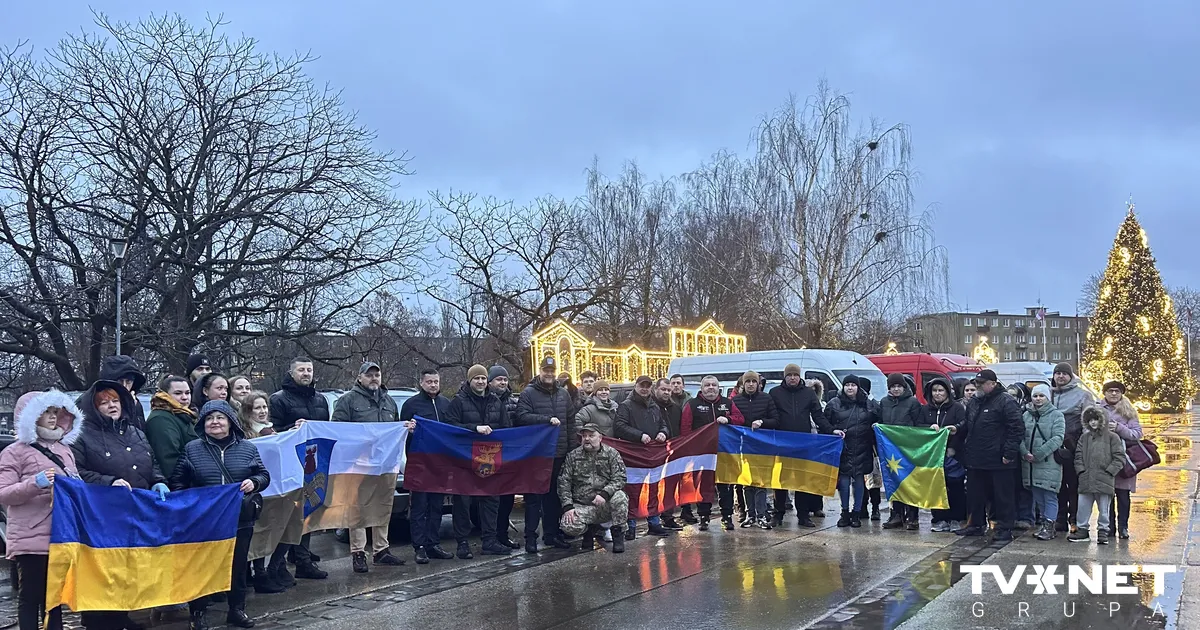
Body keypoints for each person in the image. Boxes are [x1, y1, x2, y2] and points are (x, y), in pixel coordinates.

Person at [72, 380, 168, 630]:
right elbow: (77, 472)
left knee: (128, 567)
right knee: (105, 569)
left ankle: (121, 614)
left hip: (136, 512)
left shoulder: (135, 431)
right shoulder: (82, 435)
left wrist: (157, 480)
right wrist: (108, 481)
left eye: (114, 400)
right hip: (102, 514)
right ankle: (98, 620)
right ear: (93, 407)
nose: (111, 405)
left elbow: (151, 460)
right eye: (104, 402)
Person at [170, 400, 270, 629]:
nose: (214, 422)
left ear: (230, 421)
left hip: (239, 518)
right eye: (209, 419)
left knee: (238, 565)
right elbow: (178, 481)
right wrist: (186, 505)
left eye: (219, 418)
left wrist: (254, 482)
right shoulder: (192, 448)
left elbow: (264, 475)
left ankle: (237, 610)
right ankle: (198, 613)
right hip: (204, 519)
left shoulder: (248, 448)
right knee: (201, 567)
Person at [0, 390, 82, 630]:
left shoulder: (65, 450)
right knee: (30, 596)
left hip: (60, 532)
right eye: (46, 411)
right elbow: (3, 492)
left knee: (54, 597)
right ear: (30, 415)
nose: (52, 417)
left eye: (55, 412)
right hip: (30, 535)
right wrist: (35, 483)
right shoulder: (14, 452)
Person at [331, 362, 405, 572]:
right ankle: (358, 553)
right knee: (358, 509)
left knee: (382, 505)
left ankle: (381, 550)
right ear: (360, 377)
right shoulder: (347, 400)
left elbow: (395, 430)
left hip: (385, 464)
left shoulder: (389, 401)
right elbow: (338, 429)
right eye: (369, 375)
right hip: (359, 464)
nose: (374, 378)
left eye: (377, 374)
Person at [268, 357, 329, 580]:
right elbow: (272, 432)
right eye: (301, 370)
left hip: (313, 464)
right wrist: (292, 429)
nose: (306, 373)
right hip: (289, 464)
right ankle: (278, 564)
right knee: (288, 515)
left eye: (309, 370)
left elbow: (326, 430)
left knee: (307, 511)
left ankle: (303, 560)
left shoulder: (321, 400)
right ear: (291, 373)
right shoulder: (278, 399)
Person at [446, 364, 514, 558]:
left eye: (483, 378)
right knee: (463, 502)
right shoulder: (458, 401)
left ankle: (489, 541)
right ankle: (463, 543)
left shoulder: (495, 401)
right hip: (465, 459)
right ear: (470, 380)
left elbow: (505, 427)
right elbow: (451, 426)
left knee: (491, 500)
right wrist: (475, 428)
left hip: (489, 458)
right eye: (477, 378)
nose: (481, 382)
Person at [952, 370, 1024, 541]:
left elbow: (1017, 428)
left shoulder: (1006, 401)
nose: (977, 387)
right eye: (976, 384)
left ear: (992, 383)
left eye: (981, 384)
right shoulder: (975, 401)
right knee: (974, 494)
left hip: (999, 458)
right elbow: (969, 423)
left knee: (1002, 496)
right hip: (977, 457)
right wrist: (957, 428)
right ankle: (975, 524)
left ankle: (1005, 527)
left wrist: (1009, 452)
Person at [516, 356, 577, 552]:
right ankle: (530, 538)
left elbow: (570, 421)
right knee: (534, 499)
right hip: (537, 455)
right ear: (539, 371)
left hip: (559, 454)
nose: (549, 374)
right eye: (546, 370)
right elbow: (522, 417)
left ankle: (551, 535)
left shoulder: (563, 394)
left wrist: (571, 449)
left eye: (552, 370)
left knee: (554, 498)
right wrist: (545, 420)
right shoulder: (528, 393)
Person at [768, 363, 832, 528]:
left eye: (795, 375)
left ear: (800, 376)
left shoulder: (808, 393)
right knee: (780, 482)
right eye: (789, 375)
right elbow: (770, 415)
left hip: (803, 444)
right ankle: (778, 514)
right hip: (781, 444)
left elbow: (818, 415)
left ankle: (803, 515)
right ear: (785, 376)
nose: (792, 378)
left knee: (801, 481)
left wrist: (832, 430)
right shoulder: (775, 393)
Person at [401, 369, 453, 564]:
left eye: (436, 381)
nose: (433, 385)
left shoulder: (445, 404)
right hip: (419, 462)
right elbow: (401, 431)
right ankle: (419, 546)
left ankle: (433, 543)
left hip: (440, 463)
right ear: (421, 383)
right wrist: (410, 430)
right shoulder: (411, 405)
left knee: (436, 506)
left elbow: (451, 430)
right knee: (419, 507)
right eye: (429, 382)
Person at [681, 376, 744, 530]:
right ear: (701, 388)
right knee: (703, 486)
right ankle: (704, 517)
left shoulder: (727, 403)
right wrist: (690, 450)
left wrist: (728, 419)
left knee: (725, 486)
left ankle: (727, 517)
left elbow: (740, 419)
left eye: (714, 385)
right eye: (707, 385)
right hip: (702, 454)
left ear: (718, 388)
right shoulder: (692, 405)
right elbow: (685, 429)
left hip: (724, 453)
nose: (711, 388)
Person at [614, 375, 670, 538]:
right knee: (633, 490)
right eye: (641, 386)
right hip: (633, 455)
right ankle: (630, 525)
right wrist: (639, 435)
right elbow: (619, 427)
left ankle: (654, 522)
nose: (644, 389)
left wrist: (663, 433)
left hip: (652, 455)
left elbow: (663, 424)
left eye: (647, 386)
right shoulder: (626, 406)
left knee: (653, 488)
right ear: (636, 386)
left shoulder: (655, 406)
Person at [559, 423, 628, 552]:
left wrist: (605, 493)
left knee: (620, 498)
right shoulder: (573, 456)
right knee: (568, 525)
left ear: (600, 438)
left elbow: (620, 478)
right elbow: (564, 482)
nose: (586, 439)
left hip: (605, 504)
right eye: (584, 436)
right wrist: (567, 506)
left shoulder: (611, 454)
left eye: (591, 435)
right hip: (583, 504)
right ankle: (589, 532)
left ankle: (618, 535)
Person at [1050, 362, 1096, 534]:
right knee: (1057, 484)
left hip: (1075, 445)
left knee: (1074, 484)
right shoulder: (1049, 394)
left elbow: (1088, 422)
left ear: (1070, 376)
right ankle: (1060, 519)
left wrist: (1086, 446)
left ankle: (1074, 518)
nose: (1060, 376)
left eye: (1064, 373)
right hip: (1054, 445)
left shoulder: (1083, 395)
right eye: (1057, 373)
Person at [1068, 406, 1126, 545]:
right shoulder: (1085, 437)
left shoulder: (1112, 437)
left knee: (1104, 508)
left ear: (1103, 420)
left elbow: (1119, 457)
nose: (1093, 423)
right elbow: (1078, 455)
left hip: (1105, 478)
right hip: (1086, 478)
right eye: (1090, 420)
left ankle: (1103, 530)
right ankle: (1082, 529)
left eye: (1096, 419)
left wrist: (1110, 471)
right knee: (1083, 506)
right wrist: (1081, 470)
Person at [825, 375, 873, 529]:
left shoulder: (868, 403)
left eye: (853, 385)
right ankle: (844, 512)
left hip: (861, 447)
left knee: (859, 480)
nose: (850, 388)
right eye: (847, 385)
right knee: (843, 481)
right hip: (842, 448)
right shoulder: (834, 404)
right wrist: (833, 430)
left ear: (858, 387)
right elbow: (825, 423)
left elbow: (877, 420)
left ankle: (857, 513)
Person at [732, 370, 779, 529]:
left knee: (760, 482)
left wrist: (762, 422)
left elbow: (775, 420)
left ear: (758, 384)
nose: (751, 384)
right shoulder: (736, 400)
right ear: (743, 384)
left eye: (753, 381)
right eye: (748, 382)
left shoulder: (766, 399)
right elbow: (733, 421)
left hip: (763, 447)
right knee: (746, 482)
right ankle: (749, 514)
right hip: (744, 447)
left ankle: (761, 514)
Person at [878, 373, 924, 530]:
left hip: (907, 449)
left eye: (899, 386)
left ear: (904, 387)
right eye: (893, 386)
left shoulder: (912, 402)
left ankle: (913, 516)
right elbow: (880, 422)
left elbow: (919, 425)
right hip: (891, 450)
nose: (896, 389)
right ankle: (896, 514)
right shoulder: (884, 402)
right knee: (893, 482)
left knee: (909, 482)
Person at [1098, 381, 1143, 540]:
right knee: (1106, 496)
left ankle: (1123, 527)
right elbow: (1088, 429)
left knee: (1123, 496)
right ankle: (1109, 526)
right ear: (1105, 393)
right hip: (1103, 458)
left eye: (1117, 391)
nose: (1114, 394)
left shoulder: (1128, 410)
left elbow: (1137, 434)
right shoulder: (1097, 408)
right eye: (1110, 391)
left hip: (1124, 460)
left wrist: (1118, 427)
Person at [1020, 384, 1065, 541]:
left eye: (1041, 396)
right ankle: (1044, 524)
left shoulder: (1057, 415)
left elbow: (1058, 437)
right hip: (1030, 463)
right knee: (1038, 495)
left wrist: (1038, 454)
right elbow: (1020, 435)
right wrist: (1024, 452)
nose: (1038, 399)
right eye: (1035, 396)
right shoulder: (1026, 415)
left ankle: (1050, 525)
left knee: (1049, 495)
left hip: (1048, 462)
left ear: (1047, 397)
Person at [923, 378, 966, 532]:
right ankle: (940, 518)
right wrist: (928, 427)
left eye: (941, 390)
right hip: (933, 456)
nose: (937, 393)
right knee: (936, 488)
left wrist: (954, 440)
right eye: (935, 390)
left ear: (947, 392)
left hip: (953, 454)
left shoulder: (957, 408)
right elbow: (917, 427)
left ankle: (957, 518)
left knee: (955, 488)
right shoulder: (925, 409)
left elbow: (964, 425)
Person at [487, 366, 521, 550]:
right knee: (489, 500)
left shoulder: (514, 403)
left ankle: (502, 535)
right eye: (498, 379)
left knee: (507, 499)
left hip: (508, 458)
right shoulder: (485, 401)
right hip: (488, 457)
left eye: (505, 379)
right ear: (490, 382)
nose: (502, 382)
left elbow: (522, 423)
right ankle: (489, 538)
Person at [145, 375, 200, 480]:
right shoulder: (161, 418)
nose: (184, 397)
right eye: (178, 393)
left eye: (187, 393)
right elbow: (168, 461)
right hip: (179, 486)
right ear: (165, 395)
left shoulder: (185, 415)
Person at [98, 354, 148, 430]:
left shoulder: (135, 403)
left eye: (129, 382)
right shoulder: (92, 401)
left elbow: (140, 432)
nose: (124, 386)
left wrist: (131, 408)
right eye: (120, 381)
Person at [858, 378, 883, 522]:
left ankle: (875, 508)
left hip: (871, 447)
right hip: (856, 446)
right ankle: (861, 507)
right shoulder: (851, 404)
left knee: (874, 481)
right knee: (859, 480)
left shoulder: (873, 405)